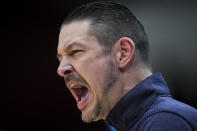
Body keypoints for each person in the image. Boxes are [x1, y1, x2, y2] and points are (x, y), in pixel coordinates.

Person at [57, 1, 197, 131]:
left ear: (123, 53)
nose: (61, 69)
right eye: (61, 58)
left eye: (76, 51)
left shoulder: (165, 122)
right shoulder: (124, 125)